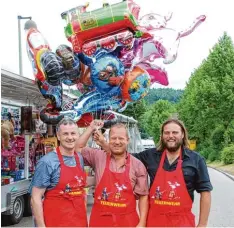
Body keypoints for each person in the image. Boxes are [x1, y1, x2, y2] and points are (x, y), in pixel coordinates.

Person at [96, 118, 213, 227]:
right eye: (166, 133)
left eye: (175, 132)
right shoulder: (150, 155)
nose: (170, 136)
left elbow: (205, 193)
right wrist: (104, 143)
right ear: (162, 136)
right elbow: (124, 156)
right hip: (154, 221)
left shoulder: (196, 160)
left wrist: (202, 225)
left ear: (182, 134)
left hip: (182, 222)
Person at [30, 117, 102, 227]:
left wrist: (106, 176)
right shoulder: (47, 162)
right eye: (65, 134)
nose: (70, 137)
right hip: (55, 223)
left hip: (79, 222)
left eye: (73, 133)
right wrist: (41, 226)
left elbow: (78, 182)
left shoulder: (79, 158)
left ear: (78, 135)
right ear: (58, 136)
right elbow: (35, 198)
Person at [78, 123, 149, 227]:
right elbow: (77, 148)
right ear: (108, 139)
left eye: (121, 138)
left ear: (127, 140)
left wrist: (142, 222)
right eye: (113, 138)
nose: (117, 142)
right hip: (100, 221)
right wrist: (91, 127)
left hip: (127, 222)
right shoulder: (98, 157)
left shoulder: (137, 165)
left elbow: (143, 196)